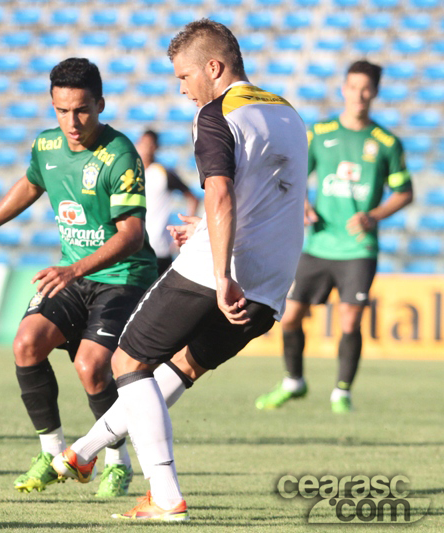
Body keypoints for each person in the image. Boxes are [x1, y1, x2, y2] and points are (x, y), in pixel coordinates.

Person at [51, 19, 308, 521]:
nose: (183, 89)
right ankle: (83, 453)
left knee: (127, 364)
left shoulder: (216, 115)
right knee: (182, 367)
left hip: (221, 273)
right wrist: (207, 226)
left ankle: (165, 496)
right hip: (274, 280)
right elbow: (273, 194)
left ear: (214, 68)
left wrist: (220, 263)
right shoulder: (287, 112)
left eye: (185, 77)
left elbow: (221, 192)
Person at [0, 58, 157, 497]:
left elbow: (133, 236)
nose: (72, 122)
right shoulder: (47, 146)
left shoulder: (119, 155)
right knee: (26, 344)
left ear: (100, 104)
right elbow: (30, 184)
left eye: (81, 110)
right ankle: (51, 451)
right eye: (61, 111)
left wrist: (74, 268)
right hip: (73, 274)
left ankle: (117, 461)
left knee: (92, 368)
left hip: (123, 277)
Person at [255, 60, 413, 414]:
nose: (359, 94)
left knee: (349, 321)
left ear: (375, 92)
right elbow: (290, 175)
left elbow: (405, 192)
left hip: (358, 248)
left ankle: (342, 391)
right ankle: (293, 380)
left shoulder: (386, 143)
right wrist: (304, 205)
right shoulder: (320, 132)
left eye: (366, 88)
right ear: (344, 89)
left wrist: (374, 215)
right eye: (353, 86)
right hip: (317, 245)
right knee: (291, 316)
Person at [137, 130, 199, 275]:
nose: (146, 148)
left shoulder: (163, 173)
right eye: (143, 144)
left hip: (159, 249)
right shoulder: (130, 173)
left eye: (150, 144)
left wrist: (186, 228)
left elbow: (192, 198)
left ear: (156, 147)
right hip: (136, 247)